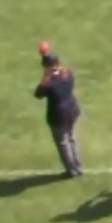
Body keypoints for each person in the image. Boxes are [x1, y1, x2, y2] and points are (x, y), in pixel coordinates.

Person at [35, 42, 83, 177]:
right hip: (72, 109)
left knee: (63, 142)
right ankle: (78, 166)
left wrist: (45, 77)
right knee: (72, 138)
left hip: (58, 115)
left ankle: (71, 170)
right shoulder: (68, 74)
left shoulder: (49, 83)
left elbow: (38, 94)